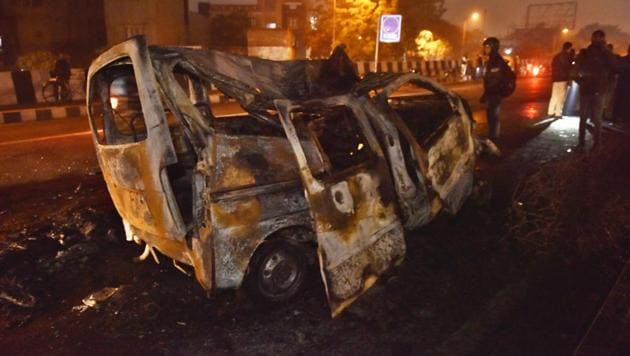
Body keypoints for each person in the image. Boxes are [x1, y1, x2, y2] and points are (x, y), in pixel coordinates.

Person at [574, 30, 618, 149]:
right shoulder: (587, 53)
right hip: (595, 90)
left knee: (589, 118)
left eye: (599, 38)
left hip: (592, 89)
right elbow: (615, 69)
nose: (597, 40)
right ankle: (592, 143)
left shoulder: (591, 53)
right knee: (593, 118)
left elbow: (614, 69)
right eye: (596, 37)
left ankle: (585, 143)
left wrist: (580, 81)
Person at [481, 37, 515, 141]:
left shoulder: (496, 61)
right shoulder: (491, 60)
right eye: (484, 47)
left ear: (493, 47)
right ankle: (493, 135)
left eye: (487, 47)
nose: (485, 49)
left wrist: (488, 93)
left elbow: (494, 80)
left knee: (493, 116)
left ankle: (494, 137)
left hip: (495, 93)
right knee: (491, 115)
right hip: (491, 92)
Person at [547, 42, 574, 119]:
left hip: (555, 79)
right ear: (569, 48)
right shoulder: (567, 56)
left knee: (554, 95)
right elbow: (568, 68)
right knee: (561, 97)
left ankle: (550, 111)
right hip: (563, 79)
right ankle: (558, 113)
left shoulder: (556, 56)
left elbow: (553, 66)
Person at [613, 45, 630, 123]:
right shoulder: (623, 60)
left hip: (622, 85)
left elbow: (617, 70)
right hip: (623, 85)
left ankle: (617, 118)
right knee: (621, 102)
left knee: (619, 102)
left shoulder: (623, 60)